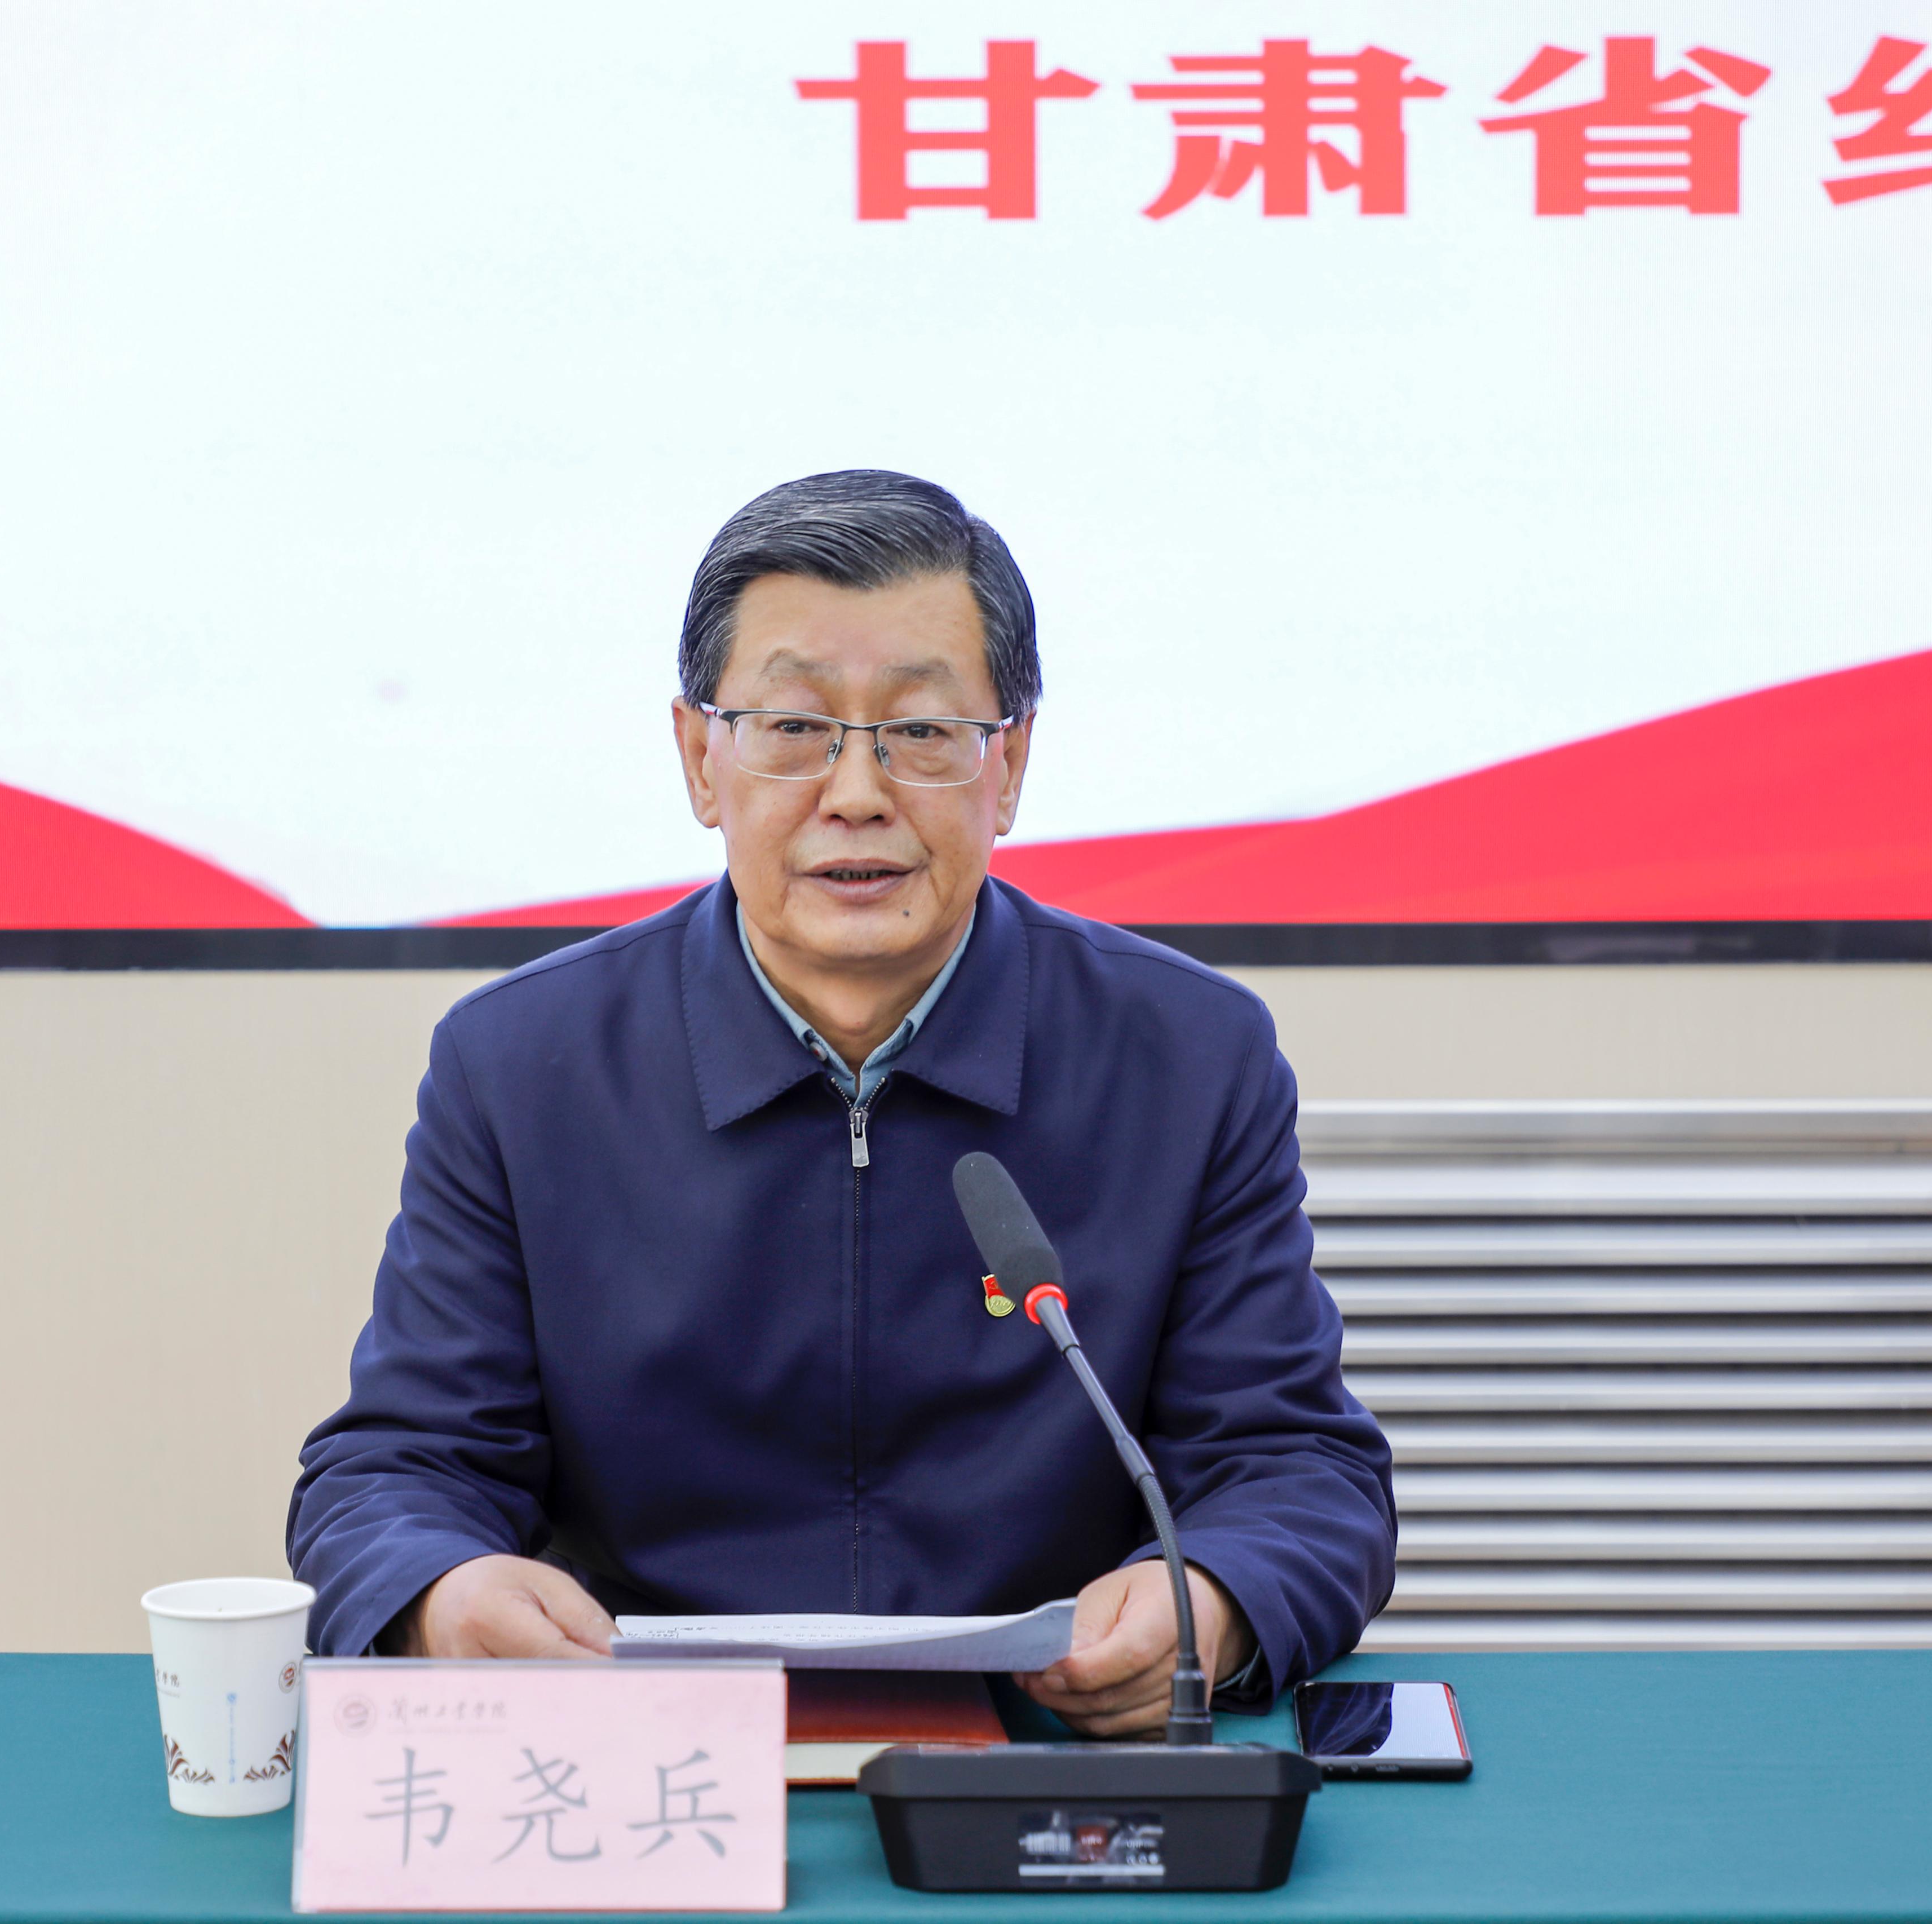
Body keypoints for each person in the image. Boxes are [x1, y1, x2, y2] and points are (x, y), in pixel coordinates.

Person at [289, 470, 1394, 1734]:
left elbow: (1297, 1470)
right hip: (639, 1750)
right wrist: (442, 1592)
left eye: (922, 730)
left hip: (1046, 1745)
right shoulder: (521, 1065)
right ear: (701, 759)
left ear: (1009, 766)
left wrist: (1216, 1599)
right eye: (793, 726)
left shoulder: (1188, 1059)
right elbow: (394, 1470)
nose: (857, 792)